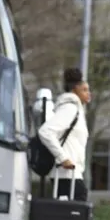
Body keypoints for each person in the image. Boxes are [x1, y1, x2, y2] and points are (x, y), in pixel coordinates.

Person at [38, 68, 91, 201]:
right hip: (66, 173)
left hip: (72, 173)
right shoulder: (70, 108)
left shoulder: (76, 109)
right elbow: (45, 131)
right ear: (75, 90)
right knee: (75, 213)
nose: (89, 93)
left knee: (74, 214)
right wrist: (63, 158)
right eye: (84, 90)